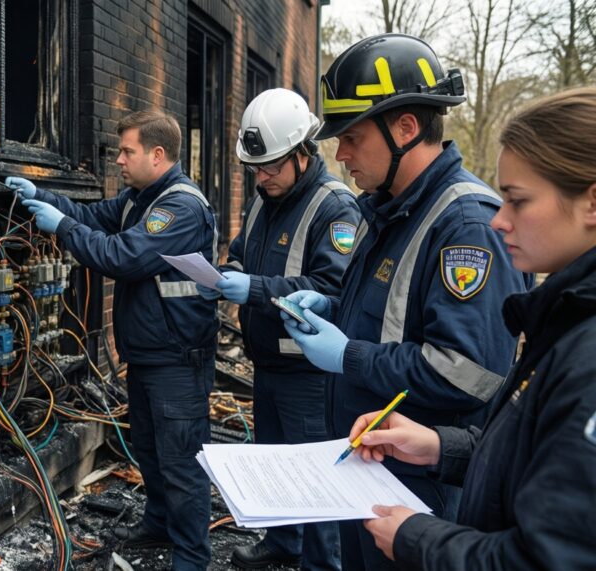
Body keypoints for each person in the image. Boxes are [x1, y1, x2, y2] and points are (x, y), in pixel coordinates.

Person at [278, 34, 531, 570]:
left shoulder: (466, 226)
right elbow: (391, 315)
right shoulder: (391, 208)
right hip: (374, 471)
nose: (340, 155)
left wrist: (349, 356)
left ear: (405, 128)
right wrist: (331, 306)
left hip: (421, 492)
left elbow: (469, 373)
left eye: (351, 137)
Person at [348, 86, 596, 570]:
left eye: (517, 200)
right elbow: (533, 447)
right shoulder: (569, 318)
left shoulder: (588, 353)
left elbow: (551, 557)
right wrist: (442, 448)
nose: (500, 221)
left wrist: (417, 538)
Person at [5, 109, 218, 571]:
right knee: (149, 449)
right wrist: (40, 194)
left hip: (178, 359)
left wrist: (61, 228)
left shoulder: (179, 206)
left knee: (181, 463)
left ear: (157, 155)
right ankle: (160, 523)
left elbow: (123, 256)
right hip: (149, 356)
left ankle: (191, 558)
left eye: (127, 151)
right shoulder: (137, 199)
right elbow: (88, 215)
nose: (119, 159)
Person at [196, 88, 360, 571]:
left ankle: (320, 562)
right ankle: (283, 543)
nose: (260, 177)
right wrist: (229, 275)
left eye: (270, 167)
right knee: (275, 462)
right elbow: (242, 250)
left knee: (314, 476)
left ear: (303, 155)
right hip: (267, 363)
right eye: (256, 167)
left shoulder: (336, 209)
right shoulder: (266, 198)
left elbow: (333, 287)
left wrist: (255, 289)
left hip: (309, 374)